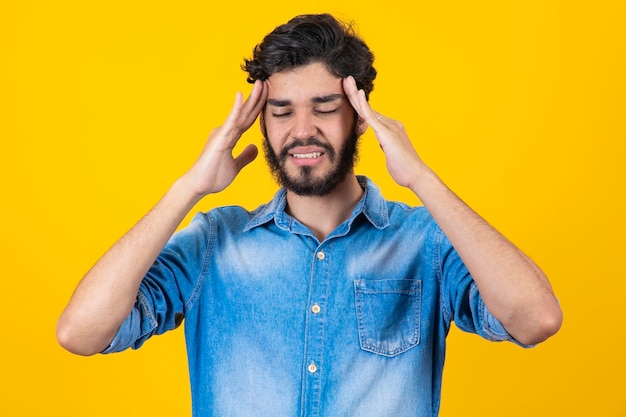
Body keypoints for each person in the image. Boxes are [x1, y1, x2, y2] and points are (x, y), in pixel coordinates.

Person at [57, 13, 562, 417]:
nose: (302, 130)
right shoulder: (214, 242)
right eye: (281, 111)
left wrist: (423, 180)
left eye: (323, 107)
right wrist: (189, 189)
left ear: (361, 120)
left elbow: (536, 319)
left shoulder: (423, 242)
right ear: (262, 123)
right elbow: (80, 334)